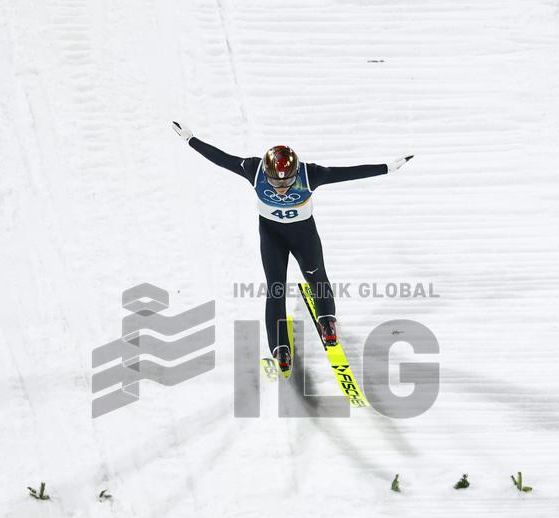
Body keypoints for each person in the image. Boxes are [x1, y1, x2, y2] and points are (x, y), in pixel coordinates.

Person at [171, 121, 413, 374]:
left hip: (303, 236)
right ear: (266, 172)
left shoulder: (311, 174)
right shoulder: (253, 169)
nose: (282, 189)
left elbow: (349, 172)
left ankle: (327, 322)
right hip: (272, 237)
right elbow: (221, 158)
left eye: (287, 183)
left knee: (316, 276)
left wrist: (386, 168)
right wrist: (191, 139)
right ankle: (280, 348)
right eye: (275, 183)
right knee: (275, 288)